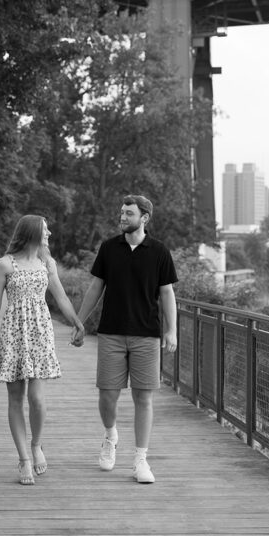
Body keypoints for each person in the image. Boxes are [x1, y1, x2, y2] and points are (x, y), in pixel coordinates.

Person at [75, 195, 178, 484]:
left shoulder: (159, 251)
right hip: (111, 332)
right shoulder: (109, 248)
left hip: (147, 334)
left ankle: (140, 460)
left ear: (144, 218)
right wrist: (79, 322)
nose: (122, 217)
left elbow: (167, 293)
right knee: (107, 395)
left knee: (143, 397)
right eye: (121, 212)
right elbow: (96, 287)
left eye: (128, 213)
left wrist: (172, 330)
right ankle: (110, 437)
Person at [0, 214, 85, 485]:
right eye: (45, 230)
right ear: (31, 233)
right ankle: (24, 459)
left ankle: (37, 444)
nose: (49, 234)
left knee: (37, 399)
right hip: (13, 333)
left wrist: (77, 323)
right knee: (15, 398)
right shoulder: (4, 264)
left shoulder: (46, 262)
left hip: (40, 333)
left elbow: (60, 296)